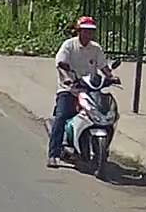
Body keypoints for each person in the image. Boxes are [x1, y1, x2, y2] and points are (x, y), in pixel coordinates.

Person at [48, 16, 114, 168]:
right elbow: (60, 64)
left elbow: (103, 66)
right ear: (78, 31)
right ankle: (53, 154)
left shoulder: (96, 48)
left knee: (104, 115)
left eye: (91, 31)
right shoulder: (69, 45)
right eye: (85, 31)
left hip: (90, 89)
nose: (88, 34)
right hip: (70, 89)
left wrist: (111, 76)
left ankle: (100, 150)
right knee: (61, 117)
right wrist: (67, 79)